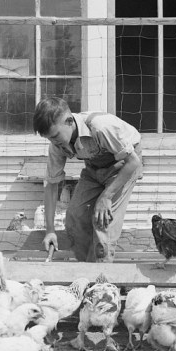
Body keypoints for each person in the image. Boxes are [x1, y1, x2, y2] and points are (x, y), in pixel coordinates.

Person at [33, 97, 143, 263]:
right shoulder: (56, 144)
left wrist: (106, 197)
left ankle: (101, 282)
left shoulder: (100, 127)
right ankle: (86, 272)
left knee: (102, 222)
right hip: (94, 167)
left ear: (69, 121)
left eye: (55, 135)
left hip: (124, 165)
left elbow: (133, 162)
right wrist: (50, 230)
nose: (53, 141)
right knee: (74, 217)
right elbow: (51, 185)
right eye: (49, 138)